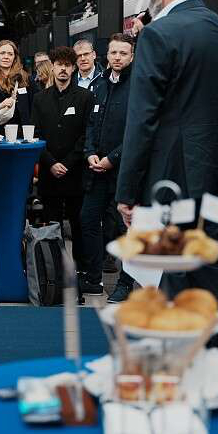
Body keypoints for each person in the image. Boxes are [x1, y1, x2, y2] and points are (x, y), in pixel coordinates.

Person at [115, 0, 218, 354]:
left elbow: (142, 122)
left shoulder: (158, 35)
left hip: (168, 178)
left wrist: (127, 192)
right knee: (205, 268)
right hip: (210, 173)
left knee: (168, 277)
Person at [81, 33, 136, 302]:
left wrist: (112, 158)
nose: (117, 57)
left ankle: (126, 283)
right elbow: (90, 124)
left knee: (127, 229)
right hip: (96, 169)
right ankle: (93, 278)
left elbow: (138, 132)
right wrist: (90, 152)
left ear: (132, 56)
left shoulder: (139, 86)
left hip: (125, 169)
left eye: (123, 53)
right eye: (113, 53)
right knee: (88, 220)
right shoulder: (98, 85)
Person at [31, 47, 93, 272]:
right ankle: (54, 269)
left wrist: (67, 163)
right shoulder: (40, 99)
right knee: (52, 223)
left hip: (75, 171)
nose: (63, 69)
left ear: (74, 68)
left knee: (78, 223)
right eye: (59, 65)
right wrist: (50, 162)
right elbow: (35, 133)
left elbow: (87, 134)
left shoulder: (86, 97)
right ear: (53, 67)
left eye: (68, 65)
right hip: (49, 171)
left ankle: (81, 269)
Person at [0, 39, 32, 135]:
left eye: (10, 54)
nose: (6, 57)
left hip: (23, 134)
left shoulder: (25, 78)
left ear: (15, 57)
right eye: (2, 53)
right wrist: (0, 105)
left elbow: (35, 104)